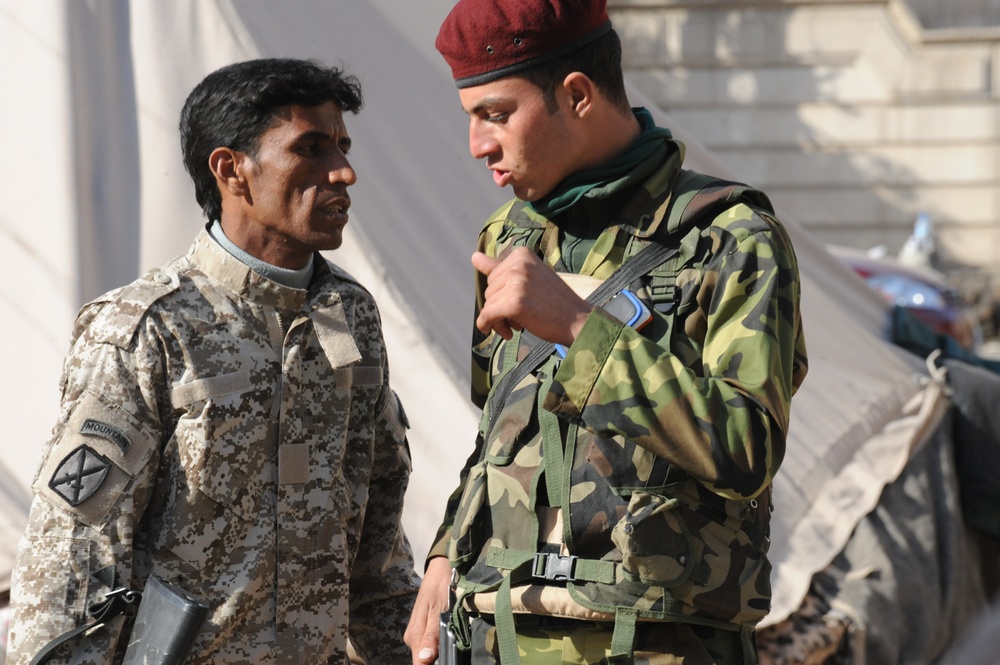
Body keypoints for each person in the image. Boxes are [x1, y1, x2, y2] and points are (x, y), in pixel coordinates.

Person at [404, 1, 808, 663]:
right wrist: (450, 547)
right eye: (470, 118)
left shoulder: (728, 238)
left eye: (496, 114)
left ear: (577, 95)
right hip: (498, 631)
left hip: (657, 639)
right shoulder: (508, 236)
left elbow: (747, 446)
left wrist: (575, 326)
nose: (478, 145)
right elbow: (501, 436)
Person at [6, 57, 419, 664]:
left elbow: (378, 538)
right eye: (311, 149)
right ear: (231, 171)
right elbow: (73, 558)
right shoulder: (148, 328)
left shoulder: (349, 316)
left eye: (343, 146)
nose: (345, 172)